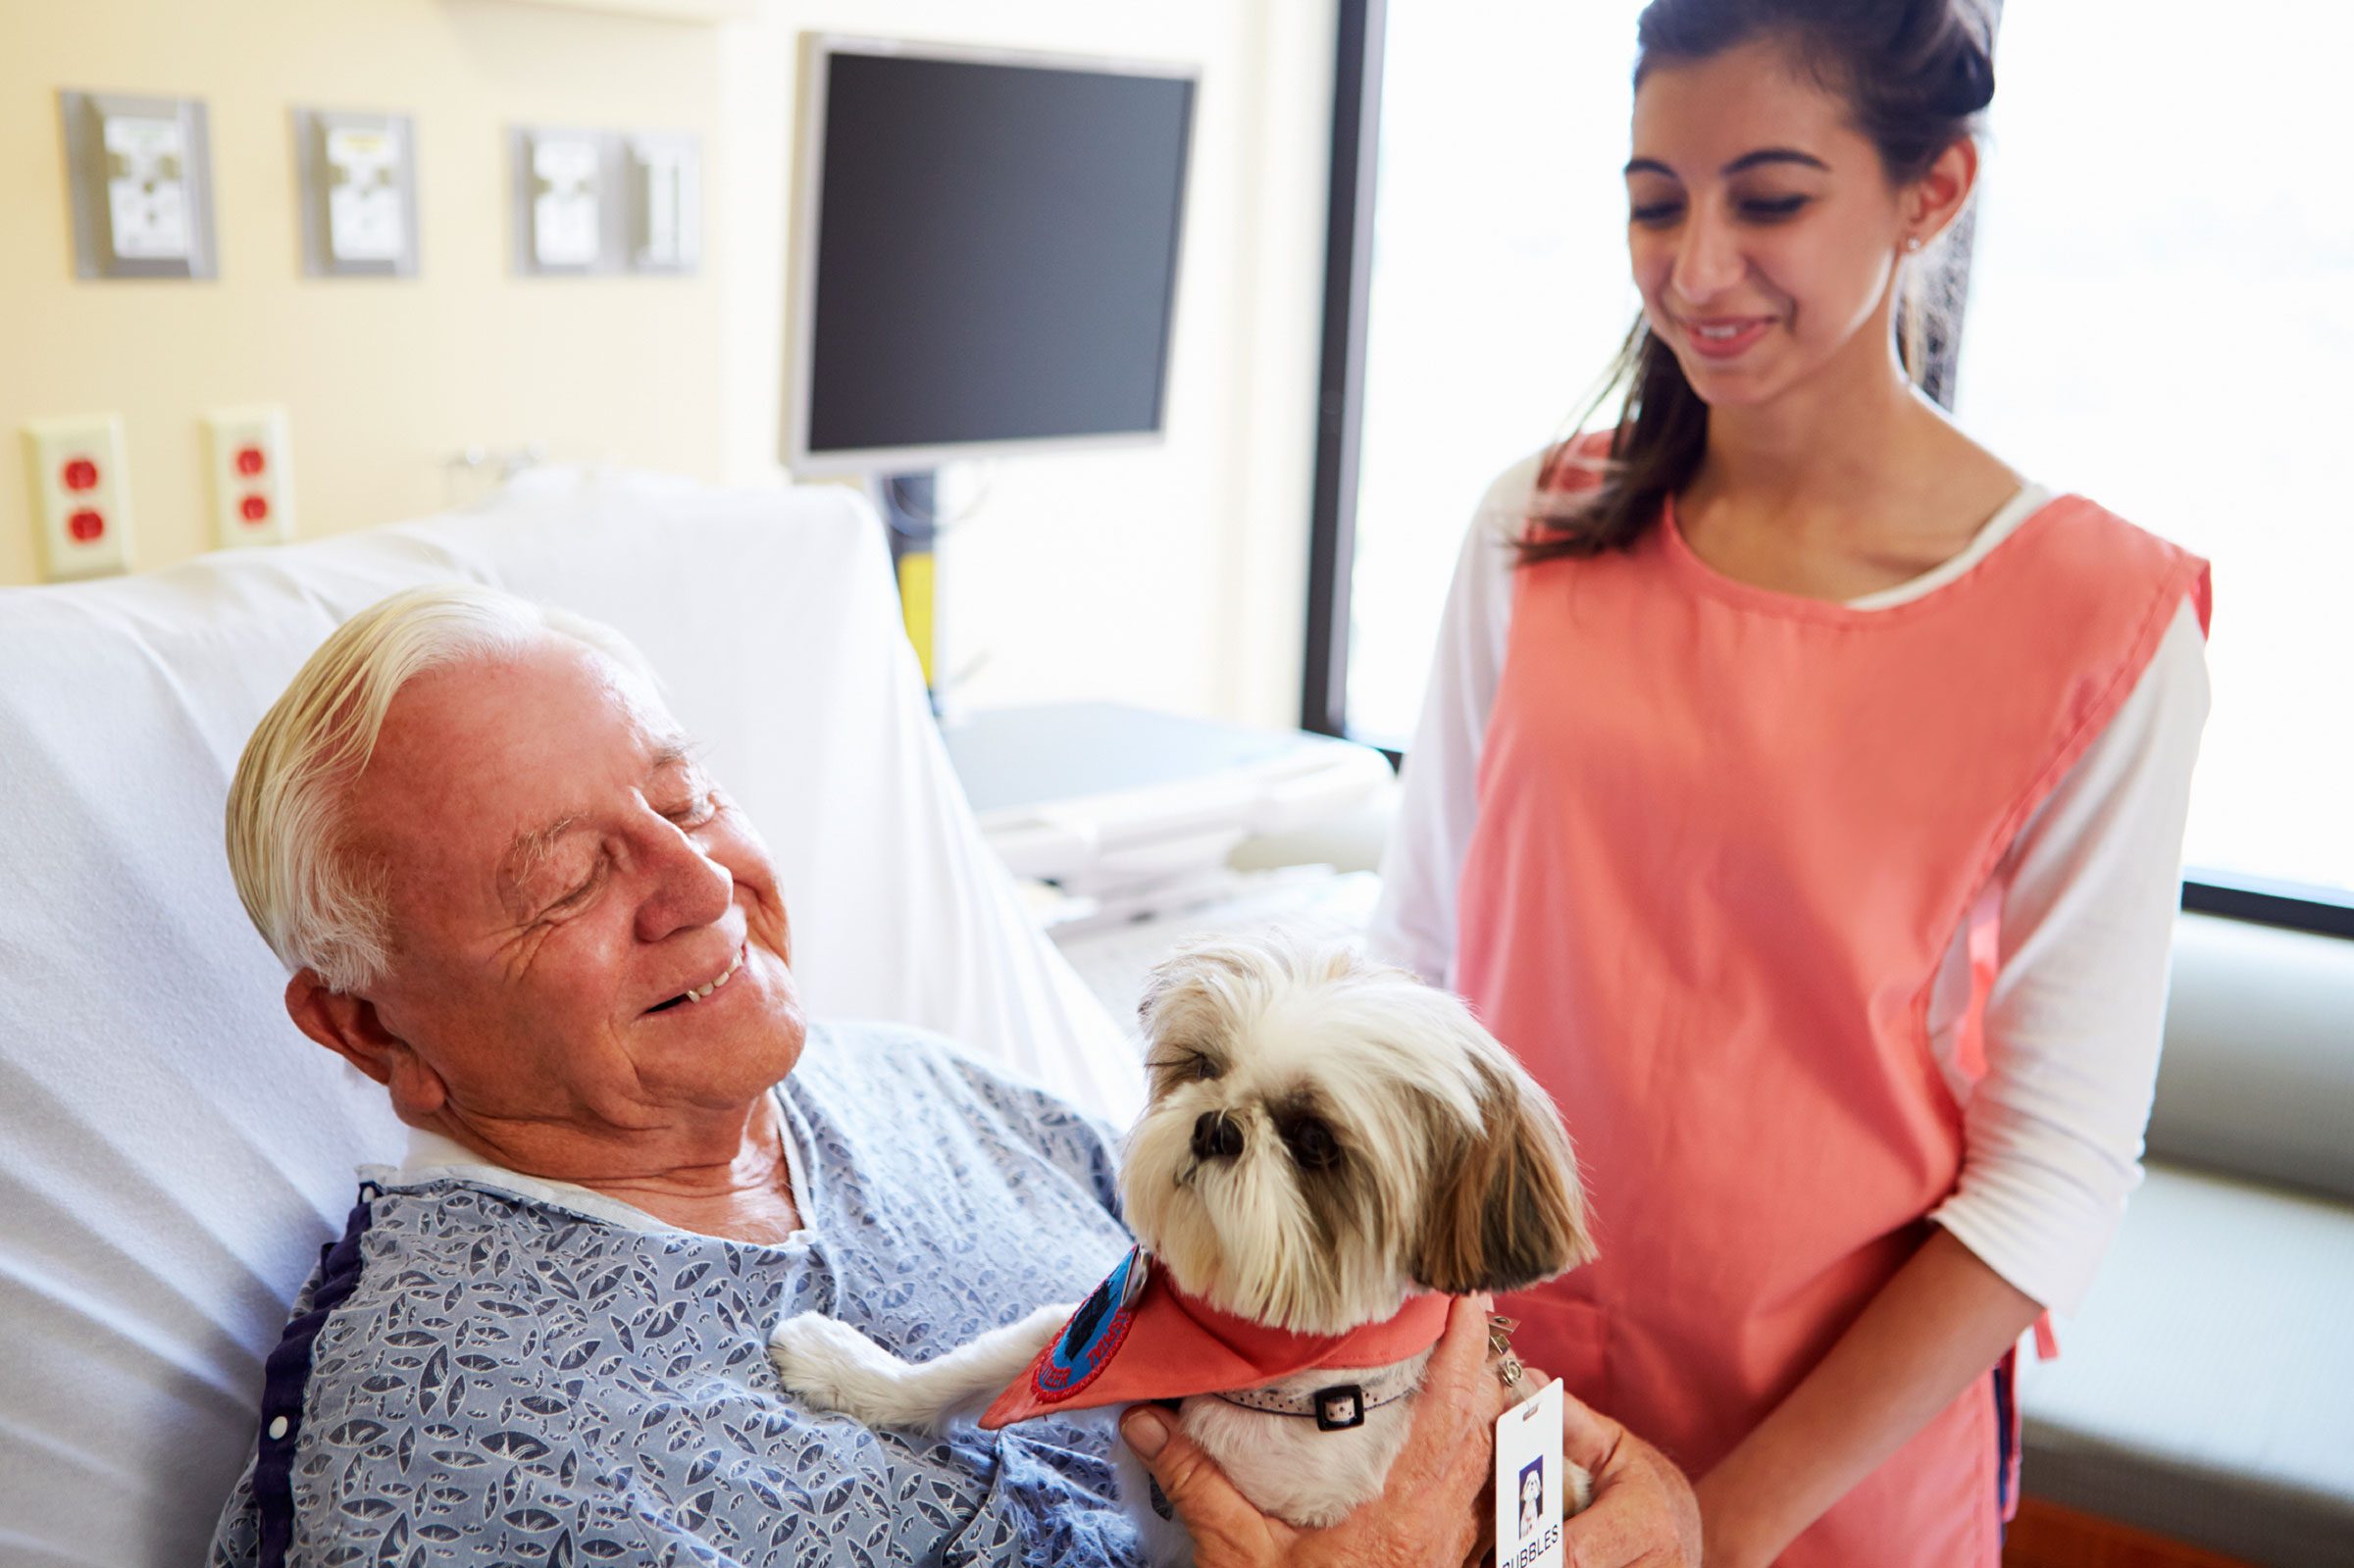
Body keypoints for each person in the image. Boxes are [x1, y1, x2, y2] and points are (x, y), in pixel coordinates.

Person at [205, 583, 1700, 1567]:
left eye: (685, 796)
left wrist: (1654, 1524)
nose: (700, 884)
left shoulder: (949, 1099)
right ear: (373, 1034)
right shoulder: (447, 1454)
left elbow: (1592, 1474)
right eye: (569, 880)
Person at [1368, 4, 2211, 1568]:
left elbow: (2055, 1173)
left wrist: (1715, 1526)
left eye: (1769, 200)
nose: (1695, 268)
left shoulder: (2102, 626)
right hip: (1494, 1419)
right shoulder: (1533, 532)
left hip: (1832, 1482)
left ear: (1932, 190)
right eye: (1654, 200)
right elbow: (1413, 969)